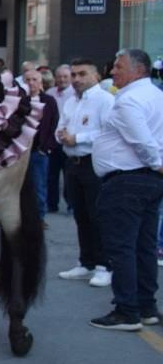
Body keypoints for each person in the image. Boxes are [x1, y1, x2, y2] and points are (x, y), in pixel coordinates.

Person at [89, 49, 163, 331]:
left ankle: (127, 311)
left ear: (140, 70)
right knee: (143, 247)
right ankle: (146, 307)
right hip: (146, 183)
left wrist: (157, 164)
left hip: (127, 182)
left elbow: (142, 141)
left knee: (122, 247)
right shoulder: (156, 96)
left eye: (119, 67)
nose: (112, 71)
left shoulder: (129, 100)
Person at [56, 57, 115, 288]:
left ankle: (104, 265)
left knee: (97, 215)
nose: (76, 79)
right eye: (74, 75)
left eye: (82, 74)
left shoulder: (105, 100)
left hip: (94, 162)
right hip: (72, 162)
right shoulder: (71, 101)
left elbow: (108, 132)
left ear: (96, 76)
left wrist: (78, 138)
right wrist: (61, 135)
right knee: (80, 214)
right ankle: (86, 261)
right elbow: (62, 126)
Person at [23, 68, 60, 223]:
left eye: (34, 80)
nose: (31, 83)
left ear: (41, 82)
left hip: (39, 151)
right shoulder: (19, 100)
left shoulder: (49, 101)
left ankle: (39, 218)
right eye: (28, 80)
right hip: (20, 152)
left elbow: (55, 124)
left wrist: (46, 148)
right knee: (19, 187)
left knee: (39, 186)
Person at [46, 64, 75, 213]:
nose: (62, 79)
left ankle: (71, 204)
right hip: (53, 140)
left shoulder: (76, 94)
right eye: (59, 76)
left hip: (69, 140)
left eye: (65, 76)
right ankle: (52, 204)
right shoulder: (50, 93)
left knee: (69, 175)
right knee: (51, 175)